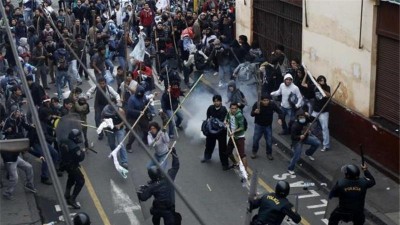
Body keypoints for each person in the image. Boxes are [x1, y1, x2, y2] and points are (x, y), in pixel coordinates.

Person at [137, 148, 181, 225]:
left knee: (155, 220)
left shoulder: (152, 186)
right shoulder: (168, 178)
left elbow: (143, 197)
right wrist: (174, 154)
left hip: (157, 208)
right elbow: (175, 166)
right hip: (169, 210)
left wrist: (142, 191)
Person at [1, 109, 37, 200]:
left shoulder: (18, 136)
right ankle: (7, 193)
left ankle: (29, 184)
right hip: (10, 161)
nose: (18, 114)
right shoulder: (8, 140)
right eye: (16, 112)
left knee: (28, 167)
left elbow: (26, 149)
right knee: (15, 178)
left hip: (15, 158)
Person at [201, 95, 230, 171]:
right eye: (215, 101)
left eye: (218, 101)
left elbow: (224, 121)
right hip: (211, 131)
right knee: (209, 145)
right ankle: (207, 157)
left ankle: (225, 164)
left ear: (221, 101)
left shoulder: (224, 110)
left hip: (221, 132)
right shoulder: (210, 108)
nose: (216, 102)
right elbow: (208, 118)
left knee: (223, 148)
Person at [250, 95, 284, 160]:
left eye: (267, 100)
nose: (266, 102)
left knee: (269, 141)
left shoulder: (272, 104)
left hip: (268, 126)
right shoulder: (257, 104)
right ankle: (254, 152)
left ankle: (269, 153)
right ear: (261, 100)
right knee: (255, 140)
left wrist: (280, 118)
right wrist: (255, 112)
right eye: (264, 101)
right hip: (258, 125)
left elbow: (280, 112)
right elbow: (251, 114)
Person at [287, 109, 320, 175]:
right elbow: (293, 137)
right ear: (298, 118)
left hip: (306, 138)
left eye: (303, 117)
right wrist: (299, 137)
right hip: (297, 141)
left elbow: (314, 119)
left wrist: (309, 115)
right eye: (300, 118)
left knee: (317, 143)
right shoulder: (295, 126)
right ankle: (290, 168)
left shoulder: (306, 119)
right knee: (297, 156)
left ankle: (308, 153)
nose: (302, 119)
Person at [59, 129, 86, 209]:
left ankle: (67, 193)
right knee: (81, 180)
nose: (79, 138)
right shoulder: (75, 148)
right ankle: (72, 199)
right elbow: (80, 158)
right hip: (72, 166)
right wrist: (83, 152)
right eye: (77, 137)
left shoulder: (64, 140)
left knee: (71, 178)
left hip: (64, 164)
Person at [101, 98, 129, 169]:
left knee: (121, 144)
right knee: (111, 144)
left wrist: (119, 125)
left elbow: (124, 120)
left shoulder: (120, 110)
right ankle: (114, 154)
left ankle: (124, 161)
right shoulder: (105, 110)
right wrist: (105, 124)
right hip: (110, 130)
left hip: (119, 129)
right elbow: (102, 119)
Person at [310, 75, 331, 151]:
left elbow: (328, 95)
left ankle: (326, 145)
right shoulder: (315, 87)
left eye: (323, 80)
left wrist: (321, 88)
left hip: (324, 111)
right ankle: (311, 139)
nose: (322, 82)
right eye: (320, 80)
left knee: (324, 128)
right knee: (309, 123)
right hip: (315, 110)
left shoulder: (327, 87)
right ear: (318, 81)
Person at [225, 102, 247, 169]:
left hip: (239, 137)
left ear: (237, 108)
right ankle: (235, 163)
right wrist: (226, 122)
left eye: (235, 108)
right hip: (232, 136)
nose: (233, 110)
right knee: (228, 152)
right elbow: (227, 119)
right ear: (230, 108)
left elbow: (242, 127)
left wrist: (234, 132)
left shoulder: (239, 115)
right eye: (232, 108)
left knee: (242, 155)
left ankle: (245, 171)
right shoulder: (229, 113)